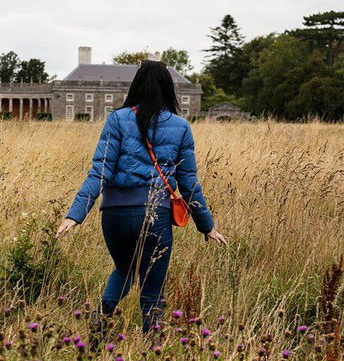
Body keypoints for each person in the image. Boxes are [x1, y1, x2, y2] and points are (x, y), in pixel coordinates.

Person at [56, 60, 226, 340]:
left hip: (114, 214)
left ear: (136, 86)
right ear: (168, 90)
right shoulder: (181, 127)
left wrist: (75, 215)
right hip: (156, 216)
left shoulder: (117, 119)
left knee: (124, 268)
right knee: (151, 291)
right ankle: (152, 355)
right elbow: (189, 183)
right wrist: (206, 225)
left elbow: (99, 171)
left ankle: (100, 321)